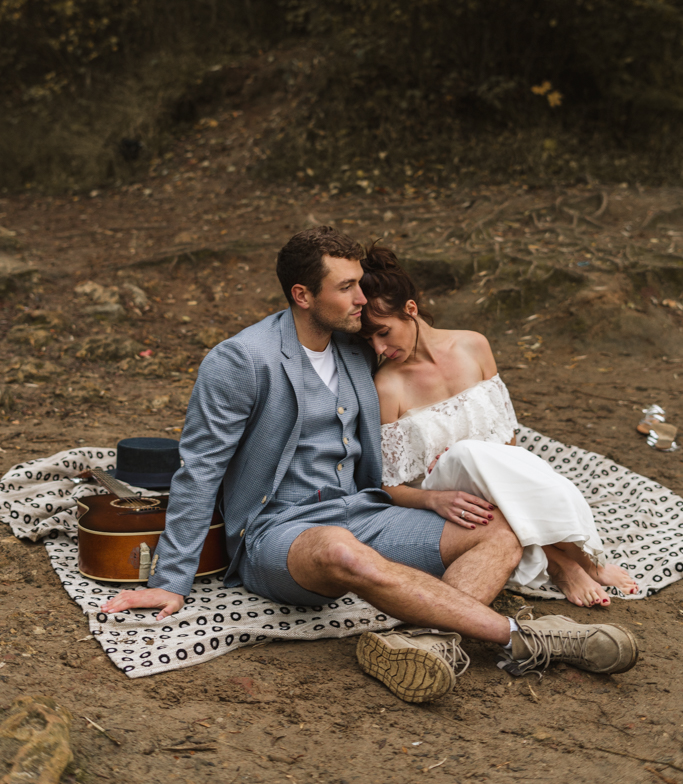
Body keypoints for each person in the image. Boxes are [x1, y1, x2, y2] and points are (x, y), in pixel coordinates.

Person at [102, 227, 638, 703]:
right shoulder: (242, 359)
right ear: (302, 295)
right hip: (278, 533)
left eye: (360, 283)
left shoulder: (358, 351)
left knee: (499, 529)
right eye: (347, 288)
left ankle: (423, 643)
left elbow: (427, 393)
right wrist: (172, 580)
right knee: (340, 550)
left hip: (366, 510)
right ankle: (527, 637)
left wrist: (453, 485)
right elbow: (199, 467)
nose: (362, 297)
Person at [359, 243, 639, 608]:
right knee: (465, 453)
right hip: (443, 494)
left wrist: (506, 475)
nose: (379, 348)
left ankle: (568, 557)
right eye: (369, 340)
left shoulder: (474, 346)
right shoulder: (388, 386)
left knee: (494, 460)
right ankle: (568, 561)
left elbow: (508, 439)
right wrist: (433, 499)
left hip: (497, 475)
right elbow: (385, 486)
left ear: (410, 310)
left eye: (383, 332)